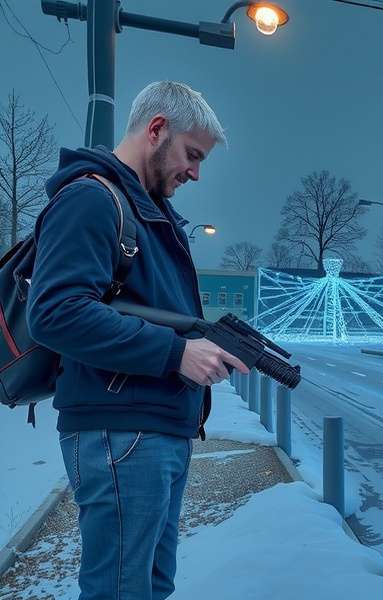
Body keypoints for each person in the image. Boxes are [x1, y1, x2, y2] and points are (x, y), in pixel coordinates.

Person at [26, 81, 249, 600]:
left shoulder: (144, 207)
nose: (195, 172)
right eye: (192, 155)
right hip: (120, 433)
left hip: (149, 430)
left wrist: (205, 343)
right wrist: (177, 354)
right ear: (155, 130)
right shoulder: (91, 198)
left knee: (149, 585)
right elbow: (56, 312)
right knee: (121, 591)